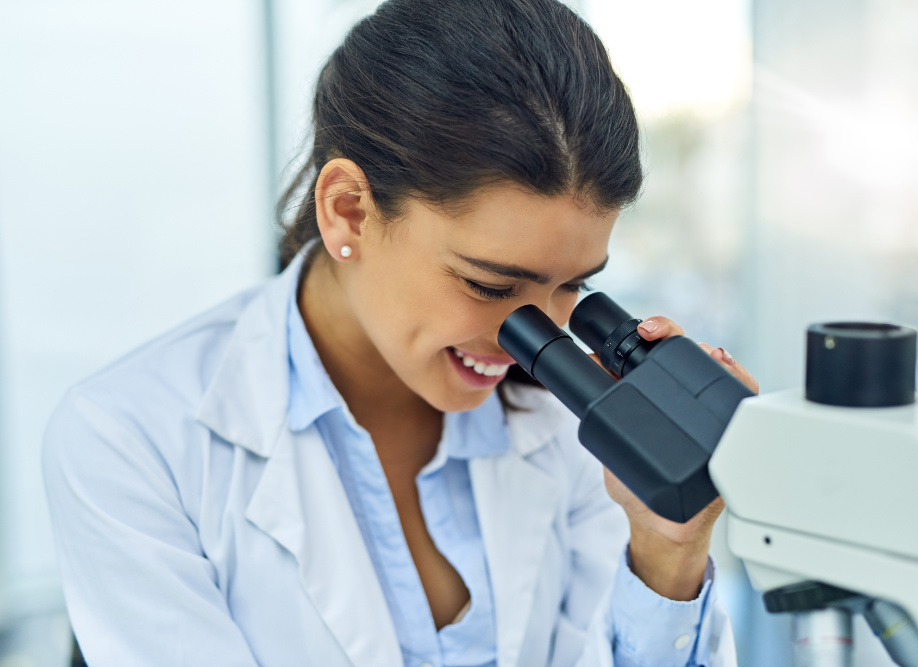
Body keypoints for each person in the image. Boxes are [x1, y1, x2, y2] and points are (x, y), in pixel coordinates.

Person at [42, 0, 758, 665]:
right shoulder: (130, 437)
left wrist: (669, 545)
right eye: (489, 285)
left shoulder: (568, 428)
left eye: (573, 285)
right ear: (349, 209)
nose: (534, 340)